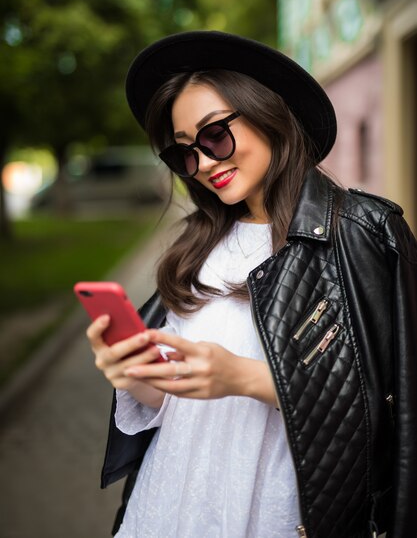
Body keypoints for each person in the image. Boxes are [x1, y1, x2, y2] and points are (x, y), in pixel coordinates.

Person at [86, 31, 417, 538]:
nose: (205, 163)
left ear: (267, 113)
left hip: (278, 508)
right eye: (185, 154)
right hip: (173, 498)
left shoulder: (363, 232)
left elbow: (392, 405)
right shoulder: (197, 248)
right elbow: (174, 400)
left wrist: (245, 378)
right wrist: (133, 375)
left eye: (215, 134)